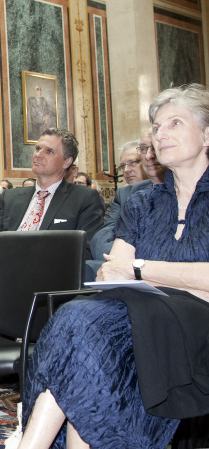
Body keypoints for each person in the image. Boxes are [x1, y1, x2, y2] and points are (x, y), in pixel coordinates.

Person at [18, 83, 209, 448]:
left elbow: (129, 269)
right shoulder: (143, 204)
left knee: (87, 331)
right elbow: (111, 272)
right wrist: (178, 277)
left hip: (196, 325)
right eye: (156, 126)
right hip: (142, 314)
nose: (160, 134)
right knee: (83, 329)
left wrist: (140, 268)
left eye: (175, 123)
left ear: (206, 134)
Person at [0, 128, 105, 260]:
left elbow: (84, 249)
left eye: (49, 151)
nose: (38, 155)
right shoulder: (9, 197)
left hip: (49, 268)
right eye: (38, 149)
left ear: (67, 162)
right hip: (2, 263)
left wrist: (31, 253)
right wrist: (17, 250)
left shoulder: (84, 198)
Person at [87, 128, 171, 277]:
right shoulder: (125, 195)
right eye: (123, 166)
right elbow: (102, 238)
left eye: (133, 162)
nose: (126, 170)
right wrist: (125, 264)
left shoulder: (186, 189)